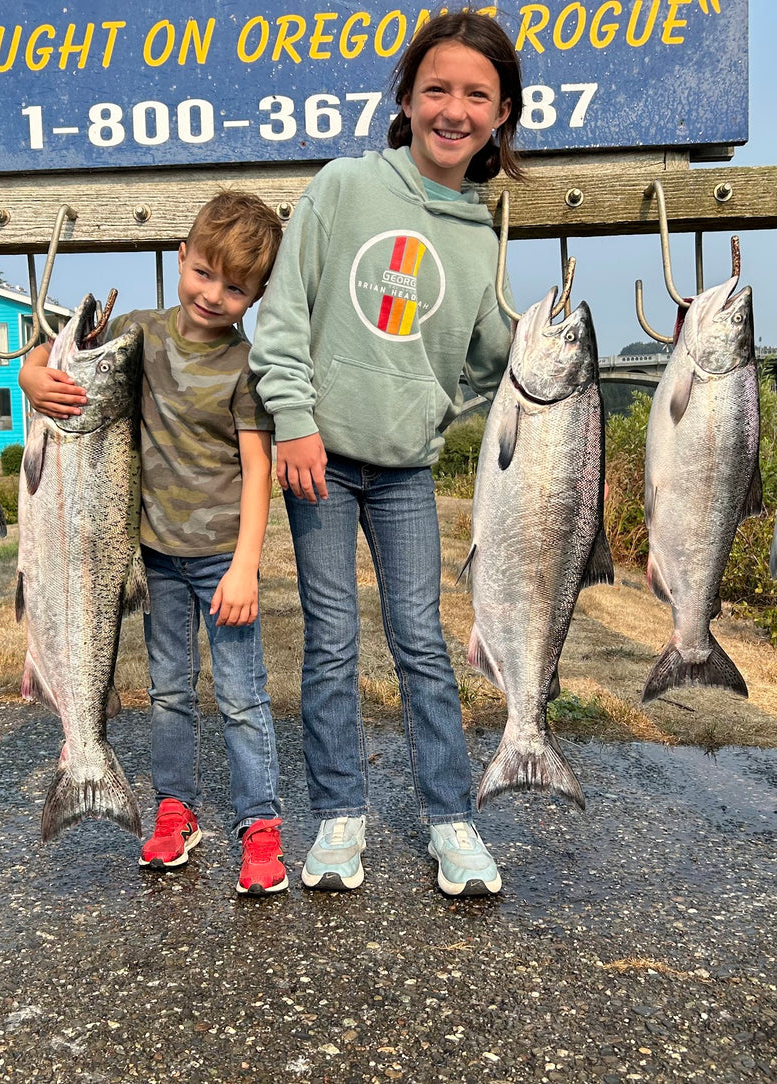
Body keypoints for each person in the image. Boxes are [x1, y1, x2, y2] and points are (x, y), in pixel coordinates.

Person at [248, 11, 524, 897]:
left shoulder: (483, 234)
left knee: (422, 644)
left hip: (405, 470)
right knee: (329, 642)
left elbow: (484, 364)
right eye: (436, 88)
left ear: (502, 114)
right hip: (315, 462)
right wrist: (293, 417)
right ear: (405, 98)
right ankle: (339, 817)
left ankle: (450, 821)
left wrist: (435, 416)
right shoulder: (344, 185)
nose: (453, 108)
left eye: (475, 94)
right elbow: (284, 313)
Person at [19, 191, 287, 896]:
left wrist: (246, 568)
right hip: (154, 559)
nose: (213, 294)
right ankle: (176, 811)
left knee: (239, 696)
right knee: (169, 693)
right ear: (181, 260)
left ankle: (260, 824)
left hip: (222, 562)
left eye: (235, 287)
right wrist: (28, 371)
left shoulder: (245, 367)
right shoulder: (139, 332)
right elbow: (53, 353)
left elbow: (258, 468)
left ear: (256, 295)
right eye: (204, 273)